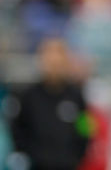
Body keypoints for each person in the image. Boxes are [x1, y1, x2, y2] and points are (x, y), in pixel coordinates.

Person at [8, 37, 91, 170]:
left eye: (58, 57)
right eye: (49, 57)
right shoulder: (28, 96)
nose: (54, 62)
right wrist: (31, 155)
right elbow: (18, 129)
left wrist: (77, 157)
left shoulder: (76, 95)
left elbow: (85, 128)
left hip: (68, 165)